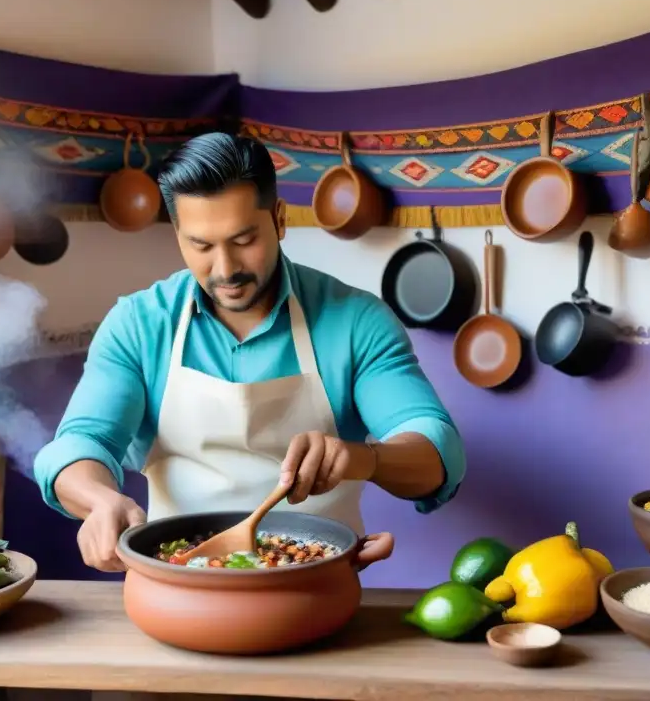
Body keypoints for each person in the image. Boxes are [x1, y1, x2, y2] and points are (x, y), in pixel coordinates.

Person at [34, 132, 466, 573]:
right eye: (201, 245)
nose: (225, 269)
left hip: (316, 585)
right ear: (178, 235)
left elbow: (437, 452)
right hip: (178, 580)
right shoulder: (140, 324)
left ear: (279, 219)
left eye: (244, 240)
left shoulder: (356, 320)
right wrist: (100, 499)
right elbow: (80, 443)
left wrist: (365, 459)